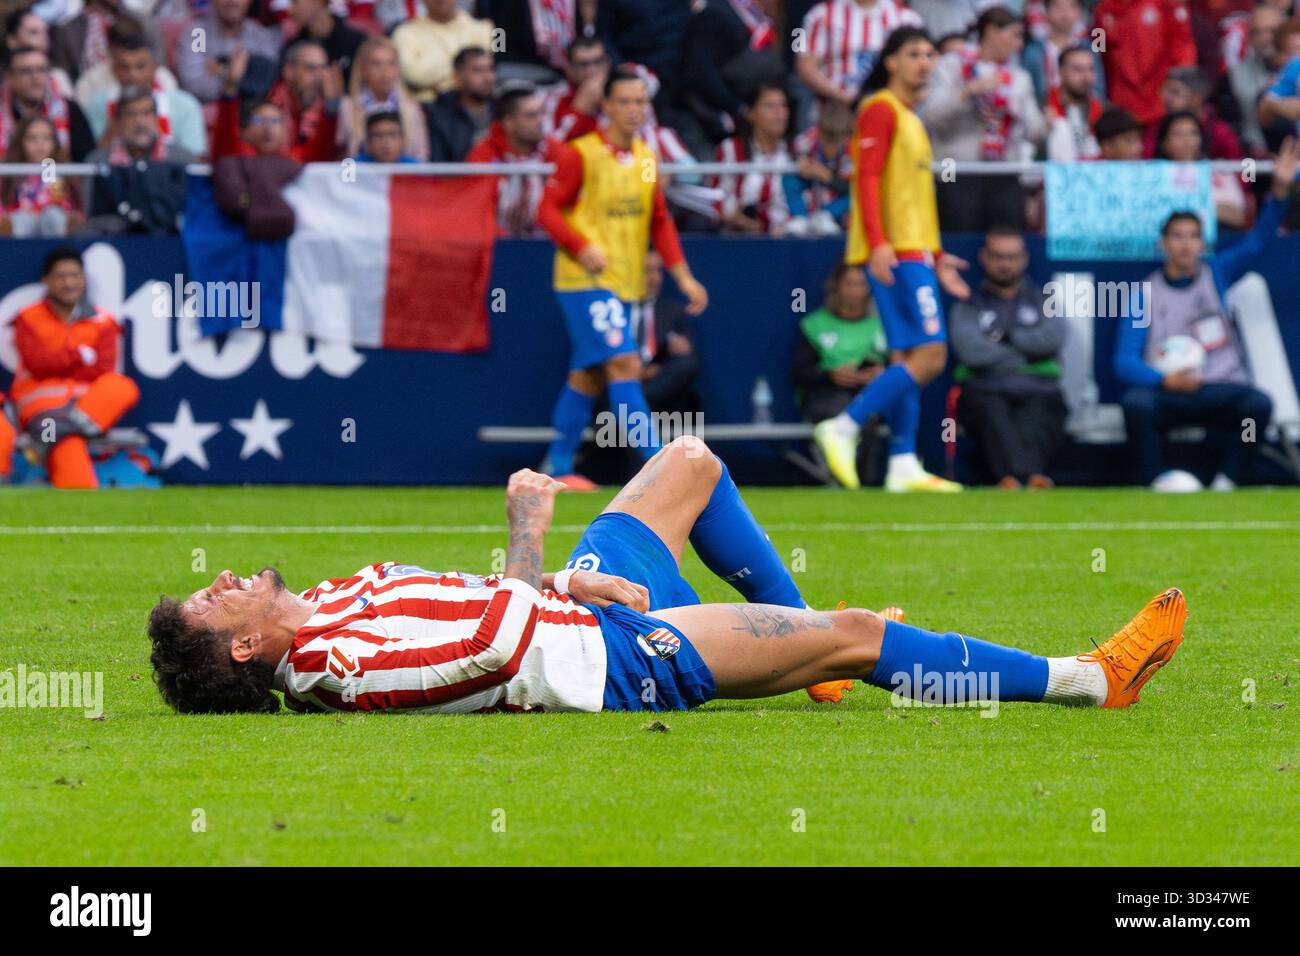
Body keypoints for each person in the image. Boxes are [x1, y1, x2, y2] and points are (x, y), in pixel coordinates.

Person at [145, 436, 1189, 715]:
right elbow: (486, 654)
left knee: (688, 462)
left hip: (574, 609)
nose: (228, 574)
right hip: (621, 659)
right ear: (244, 644)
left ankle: (808, 653)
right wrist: (559, 581)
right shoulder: (339, 666)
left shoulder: (328, 605)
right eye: (215, 595)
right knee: (864, 628)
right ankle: (1090, 676)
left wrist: (533, 548)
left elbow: (479, 611)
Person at [812, 26, 970, 494]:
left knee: (905, 357)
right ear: (891, 62)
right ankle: (843, 426)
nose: (925, 61)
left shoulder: (909, 117)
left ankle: (902, 462)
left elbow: (912, 197)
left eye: (930, 53)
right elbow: (867, 179)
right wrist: (878, 243)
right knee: (932, 355)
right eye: (914, 53)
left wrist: (937, 255)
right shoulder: (879, 109)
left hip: (914, 249)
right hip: (896, 251)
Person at [536, 69, 709, 491]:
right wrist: (580, 245)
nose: (634, 110)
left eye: (640, 102)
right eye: (625, 102)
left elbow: (661, 221)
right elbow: (547, 210)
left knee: (588, 376)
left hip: (626, 284)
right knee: (626, 363)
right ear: (607, 106)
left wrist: (684, 277)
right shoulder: (581, 154)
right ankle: (657, 470)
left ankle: (556, 466)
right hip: (585, 280)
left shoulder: (647, 159)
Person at [1115, 137, 1300, 490]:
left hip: (1219, 388)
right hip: (1169, 392)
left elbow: (1257, 243)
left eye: (1193, 237)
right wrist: (1163, 380)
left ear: (1203, 244)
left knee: (1257, 407)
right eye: (1177, 237)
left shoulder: (1217, 275)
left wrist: (1278, 192)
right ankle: (1154, 483)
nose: (1185, 244)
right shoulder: (1143, 294)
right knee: (1136, 405)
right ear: (1163, 243)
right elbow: (1124, 362)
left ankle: (1228, 480)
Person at [10, 247, 140, 489]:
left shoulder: (102, 321)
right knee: (72, 463)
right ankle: (57, 439)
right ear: (46, 281)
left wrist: (62, 360)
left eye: (74, 275)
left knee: (122, 387)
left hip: (86, 408)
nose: (68, 283)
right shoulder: (28, 317)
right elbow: (39, 364)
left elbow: (102, 369)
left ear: (84, 279)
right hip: (45, 411)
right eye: (60, 276)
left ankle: (51, 439)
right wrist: (78, 355)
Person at [949, 228, 1068, 489]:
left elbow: (1053, 338)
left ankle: (1015, 478)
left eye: (1011, 257)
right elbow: (971, 353)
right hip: (986, 388)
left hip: (1039, 388)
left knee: (1041, 410)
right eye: (998, 257)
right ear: (984, 257)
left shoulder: (1044, 299)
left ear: (1024, 259)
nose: (1005, 264)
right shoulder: (968, 304)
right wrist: (1027, 356)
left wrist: (1004, 337)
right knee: (991, 411)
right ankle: (1027, 477)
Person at [922, 5, 1046, 231]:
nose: (1019, 44)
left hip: (1004, 171)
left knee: (1007, 239)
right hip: (956, 170)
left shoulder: (1019, 78)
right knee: (960, 239)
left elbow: (1035, 133)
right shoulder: (951, 65)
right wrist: (968, 92)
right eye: (1014, 35)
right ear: (990, 31)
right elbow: (932, 115)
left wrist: (1045, 121)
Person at [792, 261, 894, 486]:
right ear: (835, 286)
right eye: (849, 283)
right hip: (825, 398)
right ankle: (843, 479)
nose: (855, 291)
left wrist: (881, 376)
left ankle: (864, 483)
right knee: (841, 414)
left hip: (870, 399)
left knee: (867, 414)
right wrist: (831, 375)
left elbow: (903, 370)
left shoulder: (883, 326)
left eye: (861, 284)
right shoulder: (814, 325)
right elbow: (800, 374)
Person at [83, 85, 194, 233]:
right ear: (118, 121)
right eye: (131, 114)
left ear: (156, 118)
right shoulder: (97, 161)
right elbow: (91, 215)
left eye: (146, 113)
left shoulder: (182, 159)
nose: (140, 121)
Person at [82, 31, 206, 159]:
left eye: (140, 67)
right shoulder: (98, 103)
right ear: (114, 70)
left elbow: (193, 160)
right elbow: (94, 160)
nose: (132, 75)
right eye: (124, 67)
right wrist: (117, 120)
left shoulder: (185, 105)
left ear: (154, 68)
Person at [211, 45, 341, 162]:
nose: (268, 128)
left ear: (287, 130)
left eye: (276, 121)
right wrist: (229, 87)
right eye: (259, 120)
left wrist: (332, 107)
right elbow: (225, 137)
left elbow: (320, 152)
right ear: (245, 132)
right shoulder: (239, 157)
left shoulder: (293, 159)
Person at [465, 85, 560, 236]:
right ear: (508, 123)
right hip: (497, 243)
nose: (541, 121)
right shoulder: (484, 155)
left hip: (547, 241)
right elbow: (475, 211)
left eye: (542, 113)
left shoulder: (554, 149)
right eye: (531, 115)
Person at [795, 0, 922, 108]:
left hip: (891, 112)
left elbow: (922, 66)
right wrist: (843, 97)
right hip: (833, 115)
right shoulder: (821, 15)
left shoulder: (907, 18)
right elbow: (805, 67)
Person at [1093, 0, 1197, 125]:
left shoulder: (1163, 4)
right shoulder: (1102, 11)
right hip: (1121, 101)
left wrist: (1180, 86)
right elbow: (1098, 53)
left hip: (1159, 101)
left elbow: (1182, 45)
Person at [712, 82, 793, 234]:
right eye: (770, 106)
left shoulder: (796, 151)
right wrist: (733, 216)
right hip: (736, 238)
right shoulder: (732, 149)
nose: (780, 113)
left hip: (788, 240)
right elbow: (717, 198)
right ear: (751, 114)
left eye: (783, 106)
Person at [337, 35, 429, 162]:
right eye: (376, 64)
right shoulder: (347, 107)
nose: (385, 71)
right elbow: (341, 156)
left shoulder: (411, 108)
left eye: (391, 64)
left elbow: (421, 157)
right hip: (358, 178)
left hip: (401, 179)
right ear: (363, 69)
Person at [1153, 110, 1248, 228]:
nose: (1187, 140)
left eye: (1193, 133)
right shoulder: (1151, 176)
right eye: (1178, 134)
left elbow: (1238, 217)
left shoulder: (1219, 171)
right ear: (1164, 142)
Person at [175, 0, 281, 104]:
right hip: (207, 112)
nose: (232, 1)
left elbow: (269, 82)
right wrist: (231, 79)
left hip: (252, 111)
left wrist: (221, 71)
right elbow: (194, 83)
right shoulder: (198, 34)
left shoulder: (259, 34)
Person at [0, 46, 95, 160]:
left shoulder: (70, 109)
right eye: (26, 71)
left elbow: (85, 157)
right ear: (9, 76)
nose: (35, 77)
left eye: (41, 70)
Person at [391, 0, 494, 102]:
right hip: (430, 110)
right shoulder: (404, 34)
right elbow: (414, 76)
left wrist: (440, 78)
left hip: (485, 106)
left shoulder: (487, 28)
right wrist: (469, 66)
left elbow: (497, 67)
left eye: (477, 69)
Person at [784, 96, 854, 237]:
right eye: (826, 140)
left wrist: (828, 177)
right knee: (789, 178)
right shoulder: (811, 137)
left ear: (846, 135)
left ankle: (825, 215)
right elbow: (792, 153)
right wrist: (800, 161)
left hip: (836, 185)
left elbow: (849, 186)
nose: (830, 147)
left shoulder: (852, 150)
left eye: (835, 142)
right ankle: (800, 217)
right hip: (810, 179)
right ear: (819, 130)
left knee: (856, 193)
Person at [1, 114, 82, 236]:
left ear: (55, 142)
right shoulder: (10, 172)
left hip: (52, 223)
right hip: (21, 223)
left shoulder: (63, 172)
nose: (39, 144)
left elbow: (71, 205)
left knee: (53, 215)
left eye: (46, 138)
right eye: (32, 138)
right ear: (20, 142)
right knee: (21, 219)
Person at [1143, 65, 1243, 159]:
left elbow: (1237, 169)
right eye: (1165, 90)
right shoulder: (1156, 127)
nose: (1166, 97)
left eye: (1175, 92)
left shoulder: (1220, 132)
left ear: (1196, 98)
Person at [1228, 3, 1287, 155]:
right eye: (1257, 32)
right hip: (1255, 155)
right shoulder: (1237, 73)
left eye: (1272, 31)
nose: (1265, 38)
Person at [1021, 0, 1101, 102]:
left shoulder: (1090, 50)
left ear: (1079, 12)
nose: (1064, 13)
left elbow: (1098, 88)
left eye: (1070, 7)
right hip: (1046, 112)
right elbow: (1027, 93)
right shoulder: (1032, 51)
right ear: (1046, 12)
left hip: (1085, 112)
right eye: (1058, 7)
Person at [424, 45, 493, 162]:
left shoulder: (504, 111)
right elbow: (439, 168)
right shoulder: (439, 116)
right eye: (478, 70)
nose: (488, 77)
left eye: (490, 69)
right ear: (457, 77)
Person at [540, 36, 609, 142]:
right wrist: (579, 111)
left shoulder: (620, 94)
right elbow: (551, 147)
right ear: (569, 69)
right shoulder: (555, 99)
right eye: (583, 64)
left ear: (607, 64)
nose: (592, 70)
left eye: (598, 62)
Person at [1043, 43, 1103, 161]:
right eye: (1078, 69)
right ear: (1061, 72)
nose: (1086, 77)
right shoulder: (1044, 106)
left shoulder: (1100, 111)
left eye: (1090, 69)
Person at [287, 0, 366, 86]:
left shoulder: (357, 42)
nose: (290, 11)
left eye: (295, 2)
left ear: (317, 2)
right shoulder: (293, 48)